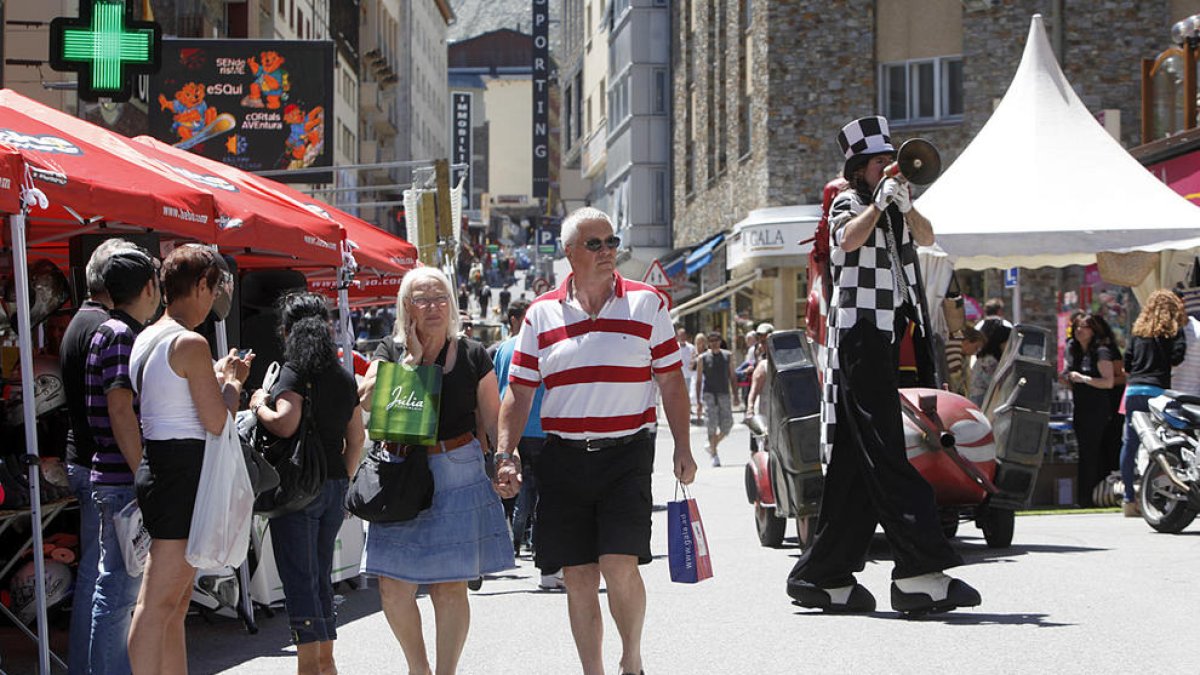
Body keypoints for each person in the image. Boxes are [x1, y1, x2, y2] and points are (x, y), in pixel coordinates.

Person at [787, 116, 979, 615]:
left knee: (856, 461)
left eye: (888, 161)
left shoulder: (894, 207)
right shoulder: (848, 201)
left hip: (884, 334)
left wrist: (904, 203)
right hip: (859, 333)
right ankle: (920, 570)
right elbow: (847, 241)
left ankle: (823, 575)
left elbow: (929, 235)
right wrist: (879, 202)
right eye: (878, 162)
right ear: (859, 168)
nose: (888, 168)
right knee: (887, 451)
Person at [496, 207, 697, 675]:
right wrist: (505, 455)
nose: (609, 252)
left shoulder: (647, 303)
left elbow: (670, 382)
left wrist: (683, 448)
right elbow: (519, 390)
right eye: (595, 244)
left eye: (612, 242)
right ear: (569, 253)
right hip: (562, 457)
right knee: (578, 575)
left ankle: (631, 659)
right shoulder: (540, 314)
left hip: (627, 453)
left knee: (619, 564)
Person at [357, 267, 515, 675]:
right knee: (392, 586)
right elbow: (366, 403)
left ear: (452, 304)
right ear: (406, 307)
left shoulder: (473, 353)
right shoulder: (389, 351)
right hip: (401, 471)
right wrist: (413, 359)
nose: (432, 307)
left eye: (440, 297)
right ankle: (418, 669)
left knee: (449, 586)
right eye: (422, 299)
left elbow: (494, 414)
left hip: (457, 469)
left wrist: (503, 461)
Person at [128, 245, 251, 675]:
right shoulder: (189, 341)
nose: (214, 301)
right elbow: (217, 420)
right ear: (200, 286)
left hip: (163, 466)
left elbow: (171, 399)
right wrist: (233, 383)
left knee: (174, 602)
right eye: (214, 290)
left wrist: (213, 378)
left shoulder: (148, 335)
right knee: (158, 601)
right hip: (180, 471)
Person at [247, 293, 365, 675]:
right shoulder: (343, 378)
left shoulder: (293, 373)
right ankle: (326, 663)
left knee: (299, 580)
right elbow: (357, 439)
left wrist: (258, 404)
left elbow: (285, 422)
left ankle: (309, 667)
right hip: (332, 487)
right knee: (319, 577)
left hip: (298, 490)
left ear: (288, 332)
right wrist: (343, 482)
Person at [83, 244, 161, 674]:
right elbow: (119, 407)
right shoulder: (120, 335)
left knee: (116, 589)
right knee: (118, 592)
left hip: (111, 477)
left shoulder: (108, 330)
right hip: (120, 480)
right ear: (148, 287)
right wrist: (141, 474)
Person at [60, 239, 136, 675]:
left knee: (101, 574)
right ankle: (90, 667)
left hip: (85, 460)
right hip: (99, 465)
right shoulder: (107, 328)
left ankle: (89, 665)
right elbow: (118, 407)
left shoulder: (81, 322)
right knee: (103, 577)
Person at [491, 300, 562, 589]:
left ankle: (511, 546)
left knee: (517, 492)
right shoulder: (545, 344)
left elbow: (498, 391)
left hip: (515, 432)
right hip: (545, 430)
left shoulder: (504, 349)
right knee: (546, 499)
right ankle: (547, 564)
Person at [1120, 290, 1187, 516]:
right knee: (1162, 443)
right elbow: (1178, 357)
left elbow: (1126, 365)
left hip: (1134, 390)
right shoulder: (1173, 332)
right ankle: (1155, 496)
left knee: (1129, 445)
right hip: (1158, 392)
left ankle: (1129, 498)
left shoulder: (1138, 334)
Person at [1061, 313, 1116, 507]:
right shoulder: (1075, 351)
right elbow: (1072, 382)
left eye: (1083, 327)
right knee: (1085, 452)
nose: (1079, 331)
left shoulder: (1100, 352)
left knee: (1090, 453)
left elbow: (1108, 382)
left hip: (1097, 409)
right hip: (1081, 407)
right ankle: (1086, 496)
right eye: (1077, 327)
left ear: (1093, 330)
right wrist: (1068, 380)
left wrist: (1083, 378)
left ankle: (1087, 498)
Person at [696, 330, 737, 467]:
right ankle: (714, 454)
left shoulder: (728, 356)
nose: (714, 344)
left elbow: (732, 376)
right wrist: (698, 402)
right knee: (711, 423)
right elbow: (699, 380)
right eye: (711, 341)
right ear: (708, 343)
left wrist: (736, 395)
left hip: (724, 393)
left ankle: (713, 443)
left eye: (716, 341)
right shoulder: (702, 358)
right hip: (709, 394)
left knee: (728, 423)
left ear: (720, 341)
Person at [968, 320, 1011, 406]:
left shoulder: (987, 358)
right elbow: (993, 384)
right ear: (1001, 342)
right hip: (980, 399)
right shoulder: (989, 361)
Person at [946, 326, 984, 398]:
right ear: (967, 342)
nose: (974, 353)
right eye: (975, 348)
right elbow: (955, 383)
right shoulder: (954, 353)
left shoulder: (956, 345)